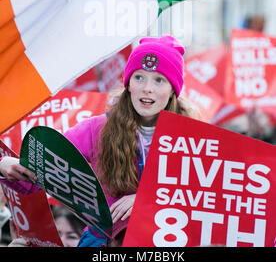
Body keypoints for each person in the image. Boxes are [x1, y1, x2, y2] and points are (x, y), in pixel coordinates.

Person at [0, 35, 198, 247]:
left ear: (173, 90)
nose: (147, 88)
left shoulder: (196, 139)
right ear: (129, 84)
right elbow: (39, 174)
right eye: (139, 77)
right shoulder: (97, 129)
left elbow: (207, 206)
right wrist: (5, 166)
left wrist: (146, 201)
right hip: (103, 243)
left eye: (159, 80)